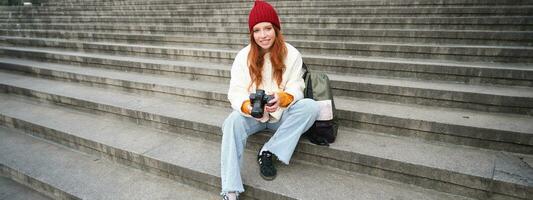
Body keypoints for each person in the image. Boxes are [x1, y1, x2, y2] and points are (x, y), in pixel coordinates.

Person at [220, 1, 320, 200]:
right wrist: (248, 107)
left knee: (310, 106)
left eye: (267, 28)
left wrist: (283, 98)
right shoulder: (243, 56)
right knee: (231, 121)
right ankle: (230, 189)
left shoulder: (291, 53)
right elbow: (235, 91)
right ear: (251, 33)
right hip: (253, 117)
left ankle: (269, 150)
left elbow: (297, 86)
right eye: (257, 30)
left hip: (281, 115)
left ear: (276, 29)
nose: (263, 35)